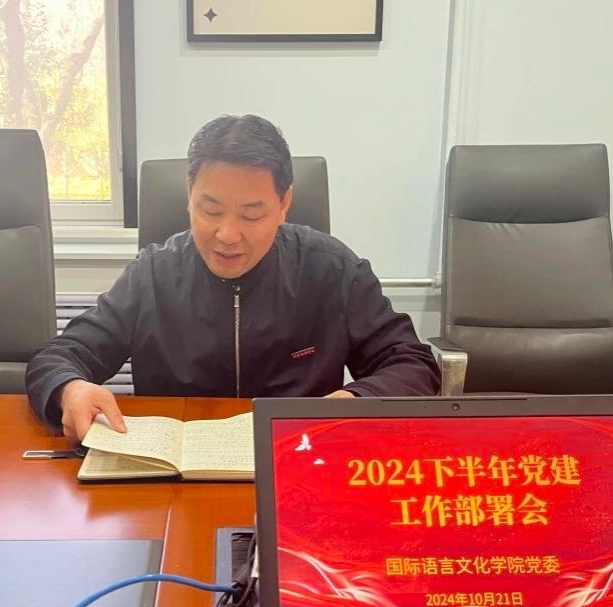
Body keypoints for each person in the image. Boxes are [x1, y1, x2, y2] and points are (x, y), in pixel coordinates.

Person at [27, 114, 440, 440]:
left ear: (284, 203)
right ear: (189, 194)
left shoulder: (331, 270)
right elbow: (59, 356)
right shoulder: (153, 274)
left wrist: (354, 399)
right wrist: (70, 388)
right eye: (210, 210)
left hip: (297, 460)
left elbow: (412, 363)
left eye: (252, 214)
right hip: (174, 475)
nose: (227, 235)